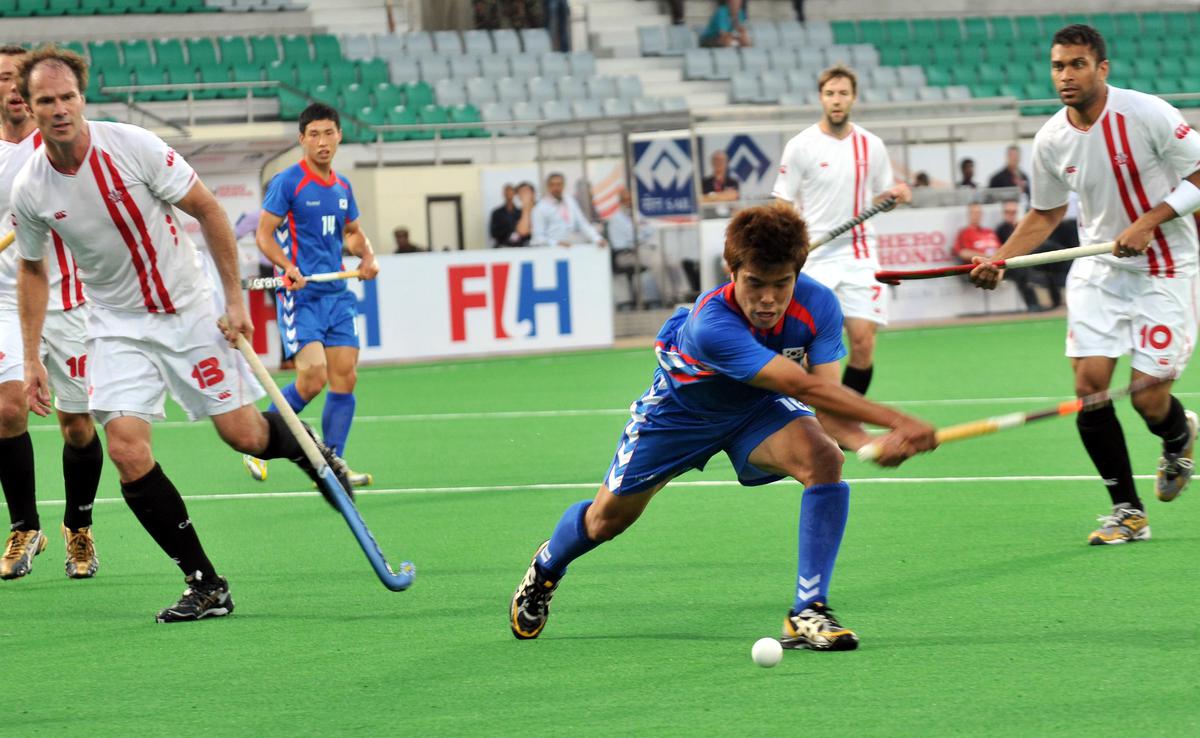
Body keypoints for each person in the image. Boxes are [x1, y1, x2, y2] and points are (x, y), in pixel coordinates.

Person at [13, 46, 351, 621]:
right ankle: (205, 583)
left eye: (68, 96)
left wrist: (235, 299)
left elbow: (210, 210)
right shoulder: (32, 188)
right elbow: (32, 269)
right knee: (124, 448)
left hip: (188, 309)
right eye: (46, 100)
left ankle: (308, 449)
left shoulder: (133, 146)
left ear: (82, 97)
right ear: (31, 108)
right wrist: (31, 357)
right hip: (115, 325)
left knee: (243, 435)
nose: (60, 108)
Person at [509, 203, 937, 648]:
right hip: (678, 415)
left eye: (781, 284)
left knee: (824, 458)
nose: (768, 299)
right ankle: (548, 566)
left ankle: (808, 610)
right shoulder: (712, 323)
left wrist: (865, 443)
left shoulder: (819, 306)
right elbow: (804, 387)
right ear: (731, 271)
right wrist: (899, 421)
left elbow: (829, 405)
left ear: (798, 273)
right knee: (605, 522)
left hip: (755, 410)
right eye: (755, 283)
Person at [969, 25, 1200, 545]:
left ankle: (1178, 433)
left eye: (1076, 64)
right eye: (1058, 66)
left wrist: (1148, 221)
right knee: (1088, 388)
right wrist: (1001, 259)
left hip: (1166, 266)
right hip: (1099, 271)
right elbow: (1045, 212)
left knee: (1147, 399)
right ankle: (1127, 511)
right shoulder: (1050, 138)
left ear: (1102, 68)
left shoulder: (1147, 113)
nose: (1065, 75)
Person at [0, 45, 103, 582]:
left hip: (70, 298)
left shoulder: (63, 144)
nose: (13, 88)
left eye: (21, 79)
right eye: (3, 78)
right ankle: (24, 525)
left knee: (77, 426)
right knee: (6, 407)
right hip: (3, 301)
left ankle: (78, 526)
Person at [242, 103, 379, 489]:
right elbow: (264, 235)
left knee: (344, 378)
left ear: (339, 135)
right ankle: (256, 442)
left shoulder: (342, 187)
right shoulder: (288, 182)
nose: (322, 141)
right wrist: (287, 266)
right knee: (312, 377)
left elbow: (352, 232)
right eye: (314, 134)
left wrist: (366, 255)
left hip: (337, 295)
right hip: (301, 297)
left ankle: (332, 465)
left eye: (329, 133)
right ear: (302, 139)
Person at [772, 65, 911, 399]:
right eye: (830, 93)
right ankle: (809, 419)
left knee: (863, 343)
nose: (837, 100)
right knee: (803, 349)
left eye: (843, 93)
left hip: (859, 253)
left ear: (854, 97)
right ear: (821, 97)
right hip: (814, 256)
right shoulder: (800, 145)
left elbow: (880, 198)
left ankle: (842, 419)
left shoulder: (871, 145)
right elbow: (782, 202)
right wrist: (794, 246)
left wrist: (896, 197)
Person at [994, 199, 1062, 310]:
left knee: (1050, 259)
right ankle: (1033, 304)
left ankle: (1056, 302)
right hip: (1012, 263)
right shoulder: (1002, 229)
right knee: (1022, 271)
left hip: (1030, 258)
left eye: (1014, 212)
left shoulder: (1022, 227)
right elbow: (1001, 251)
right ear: (1004, 213)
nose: (1011, 215)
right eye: (1008, 212)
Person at [531, 172, 606, 247]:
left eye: (559, 184)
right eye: (552, 185)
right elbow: (538, 237)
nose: (556, 188)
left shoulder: (570, 201)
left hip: (572, 247)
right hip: (552, 250)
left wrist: (597, 239)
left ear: (564, 185)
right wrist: (556, 243)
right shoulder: (540, 208)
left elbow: (582, 223)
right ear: (548, 186)